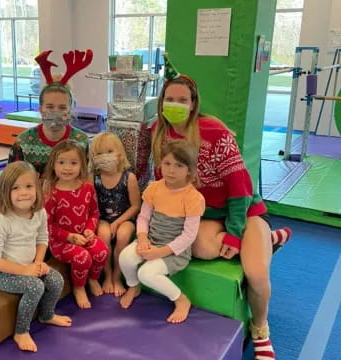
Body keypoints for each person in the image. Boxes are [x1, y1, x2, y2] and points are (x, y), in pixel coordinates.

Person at [149, 54, 292, 359]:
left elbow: (240, 188)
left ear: (193, 103)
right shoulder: (158, 134)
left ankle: (260, 328)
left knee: (255, 273)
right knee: (198, 249)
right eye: (169, 99)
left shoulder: (214, 132)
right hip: (207, 213)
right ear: (161, 102)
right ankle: (268, 241)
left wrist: (235, 233)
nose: (175, 104)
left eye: (182, 99)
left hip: (241, 209)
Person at [0, 161, 72, 353]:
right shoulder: (2, 219)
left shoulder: (39, 212)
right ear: (5, 192)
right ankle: (21, 331)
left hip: (30, 265)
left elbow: (42, 239)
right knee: (35, 286)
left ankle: (46, 315)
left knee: (56, 280)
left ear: (37, 189)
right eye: (16, 188)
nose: (23, 192)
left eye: (29, 186)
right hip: (4, 272)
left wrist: (39, 262)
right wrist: (25, 271)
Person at [119, 140, 205, 323]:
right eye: (167, 164)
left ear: (189, 170)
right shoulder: (154, 188)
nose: (171, 170)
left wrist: (161, 252)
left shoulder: (193, 198)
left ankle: (181, 300)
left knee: (146, 273)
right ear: (160, 164)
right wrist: (142, 239)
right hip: (151, 241)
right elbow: (143, 218)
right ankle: (133, 287)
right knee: (125, 258)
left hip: (174, 251)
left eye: (179, 165)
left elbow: (188, 236)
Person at [44, 140, 109, 309]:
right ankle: (79, 287)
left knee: (101, 251)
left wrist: (89, 229)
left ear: (82, 165)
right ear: (53, 165)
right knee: (82, 257)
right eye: (61, 162)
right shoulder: (51, 193)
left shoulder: (87, 187)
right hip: (60, 242)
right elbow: (47, 227)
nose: (67, 168)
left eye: (73, 163)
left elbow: (94, 213)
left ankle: (92, 278)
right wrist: (70, 237)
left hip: (83, 235)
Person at [8, 49, 92, 175]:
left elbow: (88, 180)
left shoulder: (81, 141)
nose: (55, 112)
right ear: (41, 109)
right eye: (50, 107)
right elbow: (11, 182)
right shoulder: (23, 143)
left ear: (70, 110)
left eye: (62, 107)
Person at [88, 132, 141, 296]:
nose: (105, 157)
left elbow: (135, 206)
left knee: (123, 235)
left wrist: (117, 223)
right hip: (102, 218)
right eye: (99, 154)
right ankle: (108, 275)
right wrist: (99, 223)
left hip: (125, 218)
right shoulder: (93, 178)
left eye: (109, 152)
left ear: (119, 153)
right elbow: (92, 205)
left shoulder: (129, 177)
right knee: (103, 235)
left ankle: (118, 276)